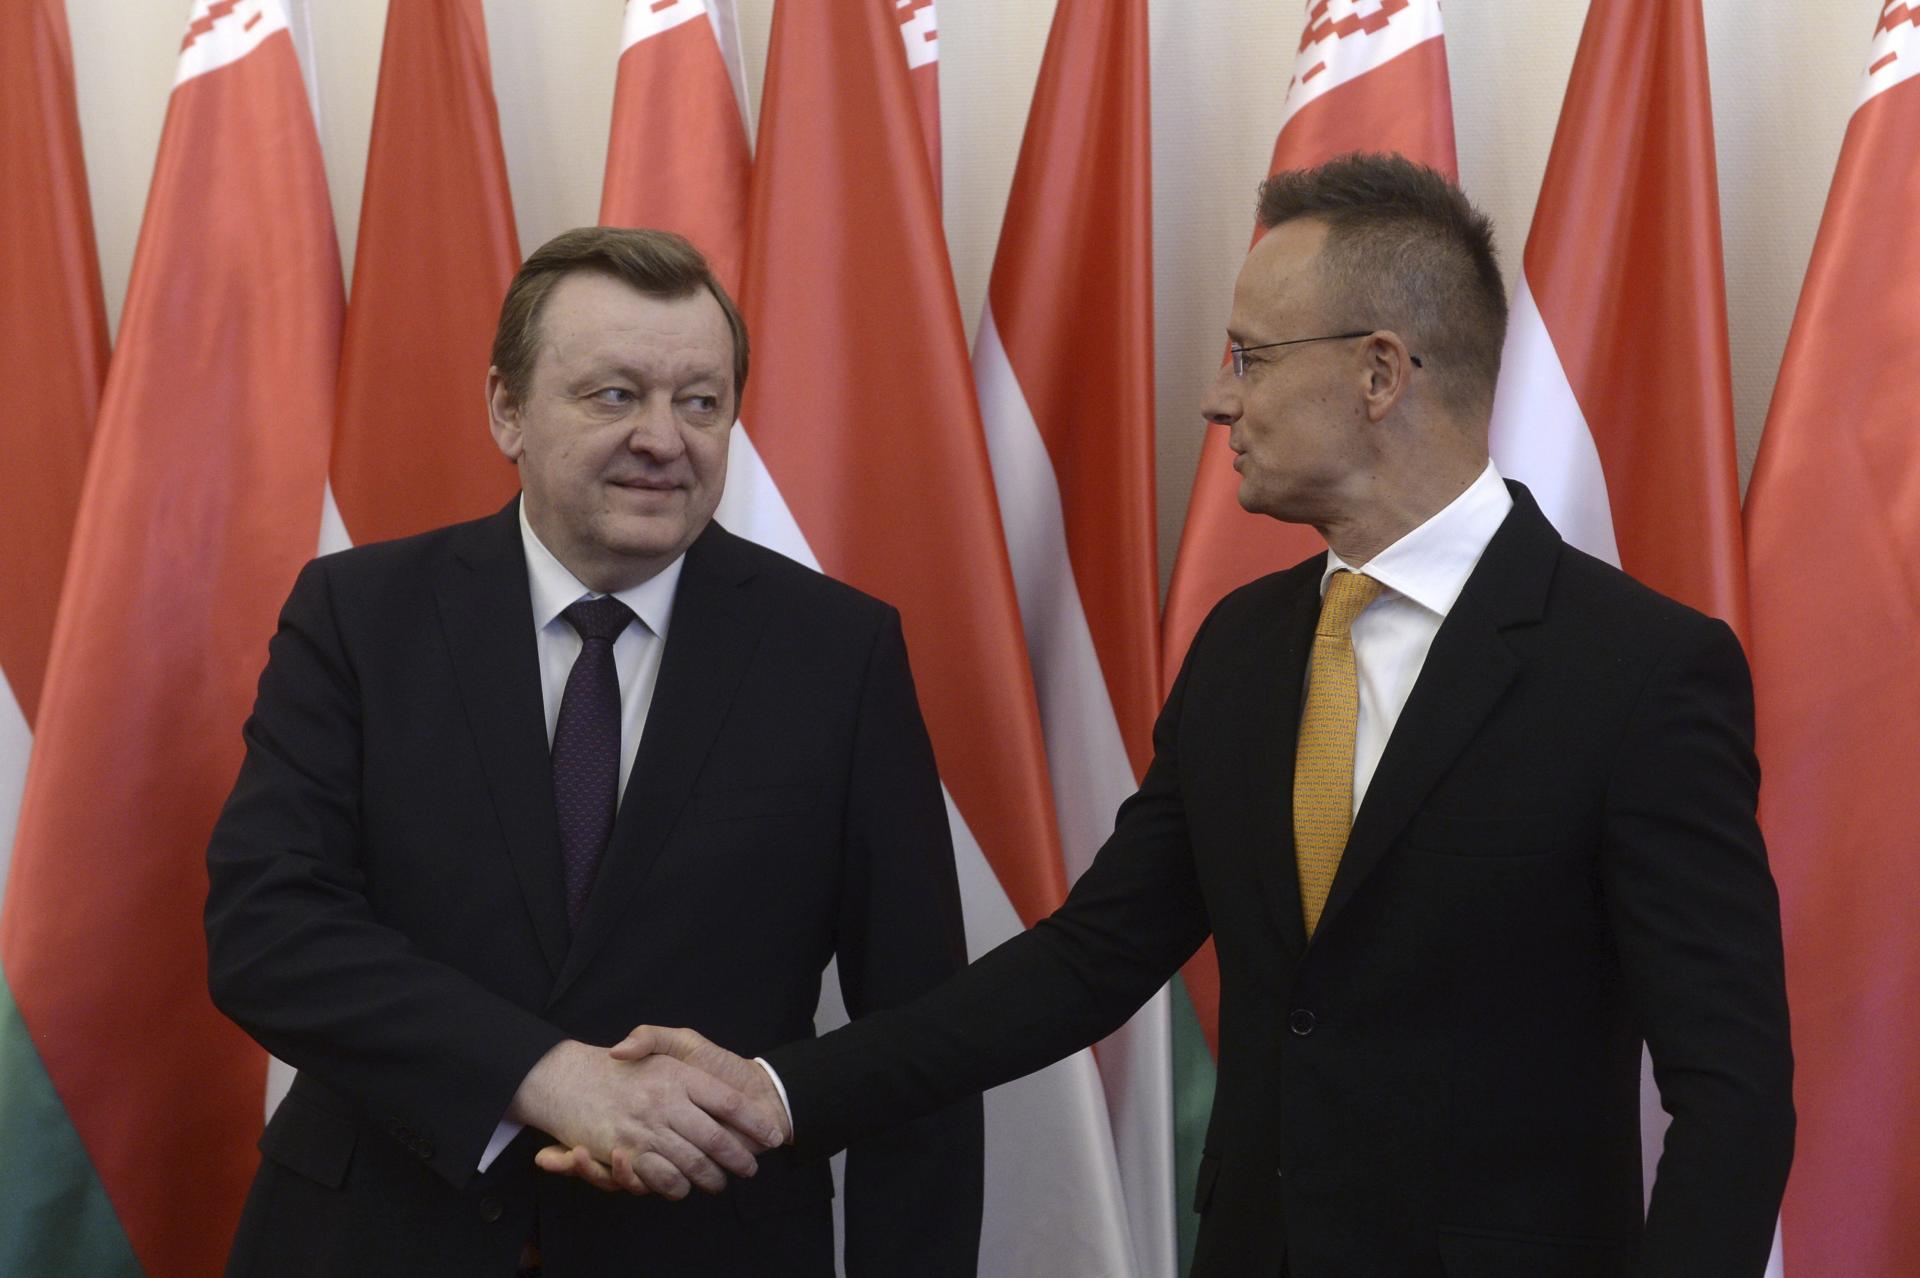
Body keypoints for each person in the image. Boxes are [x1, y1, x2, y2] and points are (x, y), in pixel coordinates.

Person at [565, 155, 1796, 1277]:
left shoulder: (1639, 671)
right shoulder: (1246, 648)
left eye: (1251, 358)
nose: (1218, 400)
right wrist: (779, 1093)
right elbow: (1088, 961)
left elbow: (1733, 1091)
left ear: (1379, 373)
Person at [204, 227, 983, 1277]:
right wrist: (544, 1076)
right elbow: (268, 930)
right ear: (507, 410)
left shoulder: (839, 653)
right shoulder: (359, 615)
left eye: (700, 402)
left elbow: (921, 1035)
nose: (663, 438)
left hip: (706, 1249)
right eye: (614, 395)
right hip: (377, 1238)